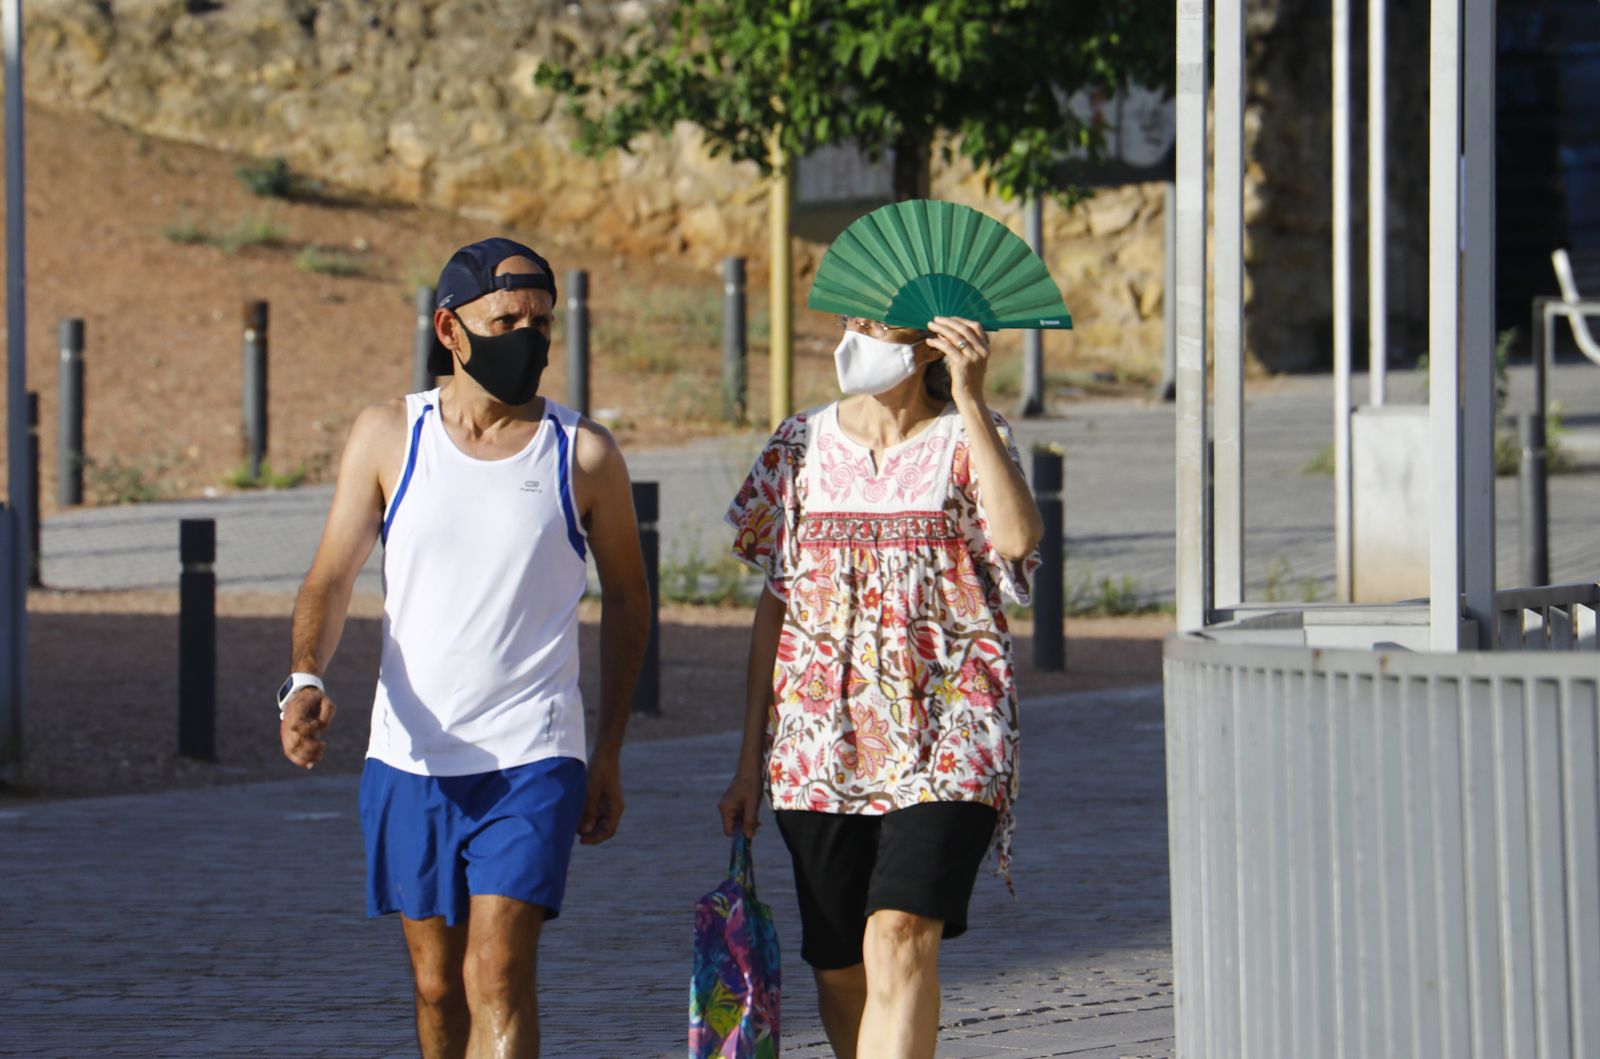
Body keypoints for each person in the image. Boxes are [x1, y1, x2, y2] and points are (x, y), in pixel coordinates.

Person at [278, 237, 652, 1058]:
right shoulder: (388, 437)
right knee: (438, 988)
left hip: (534, 755)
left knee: (497, 971)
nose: (530, 335)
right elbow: (331, 578)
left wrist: (610, 749)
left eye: (542, 320)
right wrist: (304, 678)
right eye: (507, 318)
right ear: (451, 329)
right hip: (410, 755)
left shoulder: (583, 454)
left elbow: (630, 596)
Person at [718, 312, 1044, 1059]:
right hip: (820, 742)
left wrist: (969, 397)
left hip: (954, 727)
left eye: (881, 321)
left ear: (933, 338)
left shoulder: (972, 435)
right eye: (852, 316)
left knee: (897, 935)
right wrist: (747, 761)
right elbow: (776, 603)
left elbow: (1021, 539)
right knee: (839, 967)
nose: (858, 332)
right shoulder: (798, 444)